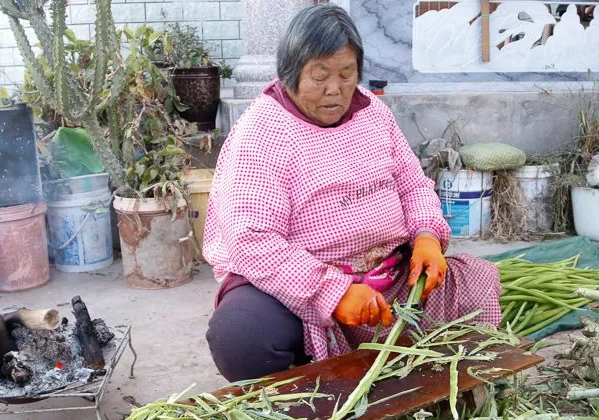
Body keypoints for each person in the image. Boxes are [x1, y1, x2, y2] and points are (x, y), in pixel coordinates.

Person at [203, 4, 502, 381]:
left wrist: (427, 236)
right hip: (303, 288)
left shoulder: (373, 112)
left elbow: (412, 184)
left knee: (478, 286)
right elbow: (252, 241)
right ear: (290, 74)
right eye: (319, 76)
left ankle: (426, 376)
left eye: (347, 74)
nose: (335, 90)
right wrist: (334, 292)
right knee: (243, 335)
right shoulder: (262, 132)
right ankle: (302, 384)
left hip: (389, 281)